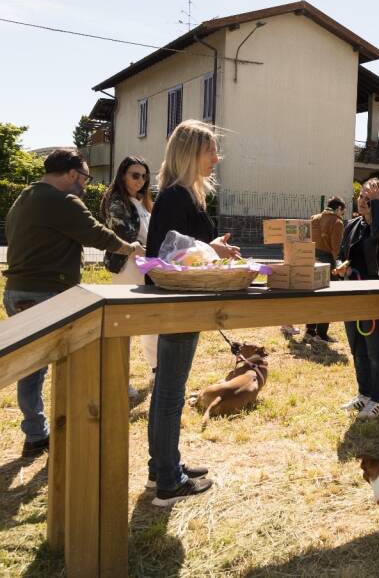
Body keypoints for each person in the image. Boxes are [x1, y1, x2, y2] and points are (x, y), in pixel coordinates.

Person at [3, 149, 144, 457]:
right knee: (76, 360)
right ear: (70, 174)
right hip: (45, 293)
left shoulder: (25, 197)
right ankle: (76, 424)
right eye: (84, 177)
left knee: (32, 365)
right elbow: (96, 233)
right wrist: (129, 248)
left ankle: (36, 434)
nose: (84, 184)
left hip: (16, 292)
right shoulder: (62, 200)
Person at [145, 120, 240, 506]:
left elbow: (181, 248)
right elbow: (172, 256)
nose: (216, 158)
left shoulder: (178, 195)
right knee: (170, 391)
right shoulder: (177, 197)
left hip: (180, 303)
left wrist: (210, 246)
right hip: (179, 304)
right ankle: (168, 480)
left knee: (166, 390)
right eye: (210, 151)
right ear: (190, 153)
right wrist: (211, 249)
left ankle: (163, 467)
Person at [334, 178, 379, 420]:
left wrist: (376, 207)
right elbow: (341, 254)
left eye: (369, 198)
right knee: (357, 348)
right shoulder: (352, 224)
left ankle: (378, 400)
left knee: (376, 350)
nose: (363, 201)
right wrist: (341, 267)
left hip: (377, 296)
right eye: (362, 196)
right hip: (352, 293)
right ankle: (363, 394)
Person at [101, 156, 158, 399]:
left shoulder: (143, 201)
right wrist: (140, 248)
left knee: (151, 321)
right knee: (126, 324)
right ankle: (119, 380)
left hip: (147, 265)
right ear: (122, 175)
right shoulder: (116, 201)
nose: (141, 181)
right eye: (135, 175)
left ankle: (157, 371)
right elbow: (121, 233)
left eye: (144, 176)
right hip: (128, 267)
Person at [304, 196, 346, 343]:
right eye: (343, 211)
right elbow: (335, 248)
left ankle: (309, 331)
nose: (342, 214)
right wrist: (339, 266)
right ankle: (321, 334)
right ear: (338, 208)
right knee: (327, 299)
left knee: (312, 297)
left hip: (312, 260)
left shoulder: (314, 218)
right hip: (328, 262)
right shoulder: (337, 222)